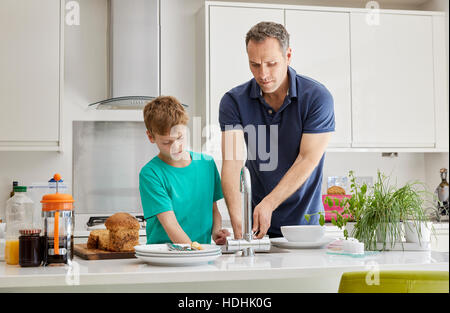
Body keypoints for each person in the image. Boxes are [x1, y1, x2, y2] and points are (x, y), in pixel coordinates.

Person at [219, 22, 335, 240]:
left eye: (271, 64)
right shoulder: (233, 101)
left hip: (306, 227)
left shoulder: (317, 97)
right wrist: (238, 224)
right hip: (258, 228)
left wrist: (269, 203)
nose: (263, 74)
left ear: (288, 55)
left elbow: (307, 159)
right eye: (255, 65)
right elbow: (232, 163)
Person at [139, 96, 230, 245]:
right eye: (167, 142)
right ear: (151, 137)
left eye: (180, 137)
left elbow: (213, 210)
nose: (176, 146)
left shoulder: (206, 165)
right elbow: (170, 224)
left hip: (200, 256)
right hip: (166, 258)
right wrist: (196, 252)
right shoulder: (151, 174)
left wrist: (216, 232)